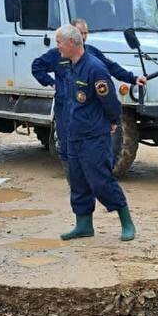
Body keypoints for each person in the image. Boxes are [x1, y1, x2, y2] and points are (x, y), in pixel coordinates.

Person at [54, 24, 136, 241]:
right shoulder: (70, 66)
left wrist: (112, 121)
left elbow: (110, 101)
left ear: (72, 43)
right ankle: (83, 225)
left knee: (100, 181)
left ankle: (126, 221)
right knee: (77, 181)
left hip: (93, 135)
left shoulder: (94, 68)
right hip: (74, 135)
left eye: (59, 42)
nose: (57, 47)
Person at [31, 17, 144, 163]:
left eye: (86, 33)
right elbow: (36, 67)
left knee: (88, 150)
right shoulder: (58, 54)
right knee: (67, 149)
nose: (83, 36)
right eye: (80, 32)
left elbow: (112, 67)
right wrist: (51, 83)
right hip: (64, 107)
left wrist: (133, 78)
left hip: (83, 109)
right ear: (71, 34)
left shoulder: (92, 54)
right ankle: (73, 178)